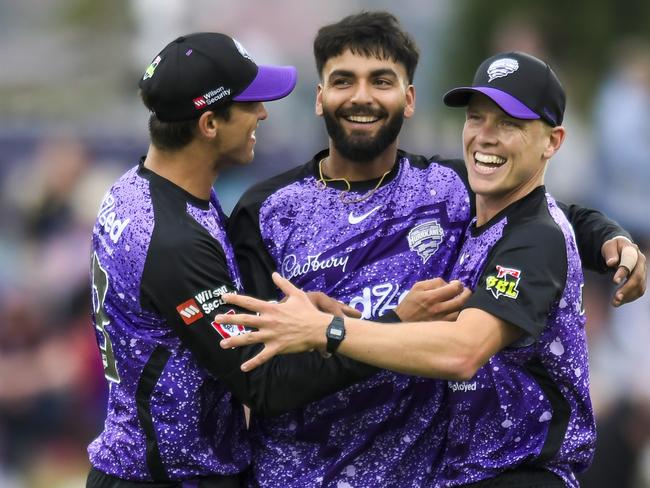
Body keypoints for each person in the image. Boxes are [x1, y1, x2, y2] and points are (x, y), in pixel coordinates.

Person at [226, 11, 646, 488]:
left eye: (381, 80)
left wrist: (612, 238)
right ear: (320, 98)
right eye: (344, 81)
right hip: (296, 477)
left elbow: (547, 217)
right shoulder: (266, 210)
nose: (362, 96)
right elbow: (256, 382)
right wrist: (363, 329)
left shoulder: (450, 187)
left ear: (408, 100)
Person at [87, 32, 390, 488]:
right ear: (209, 124)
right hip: (167, 479)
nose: (263, 114)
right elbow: (262, 384)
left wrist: (291, 311)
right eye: (251, 104)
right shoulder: (173, 240)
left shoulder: (141, 188)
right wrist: (381, 336)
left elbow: (192, 312)